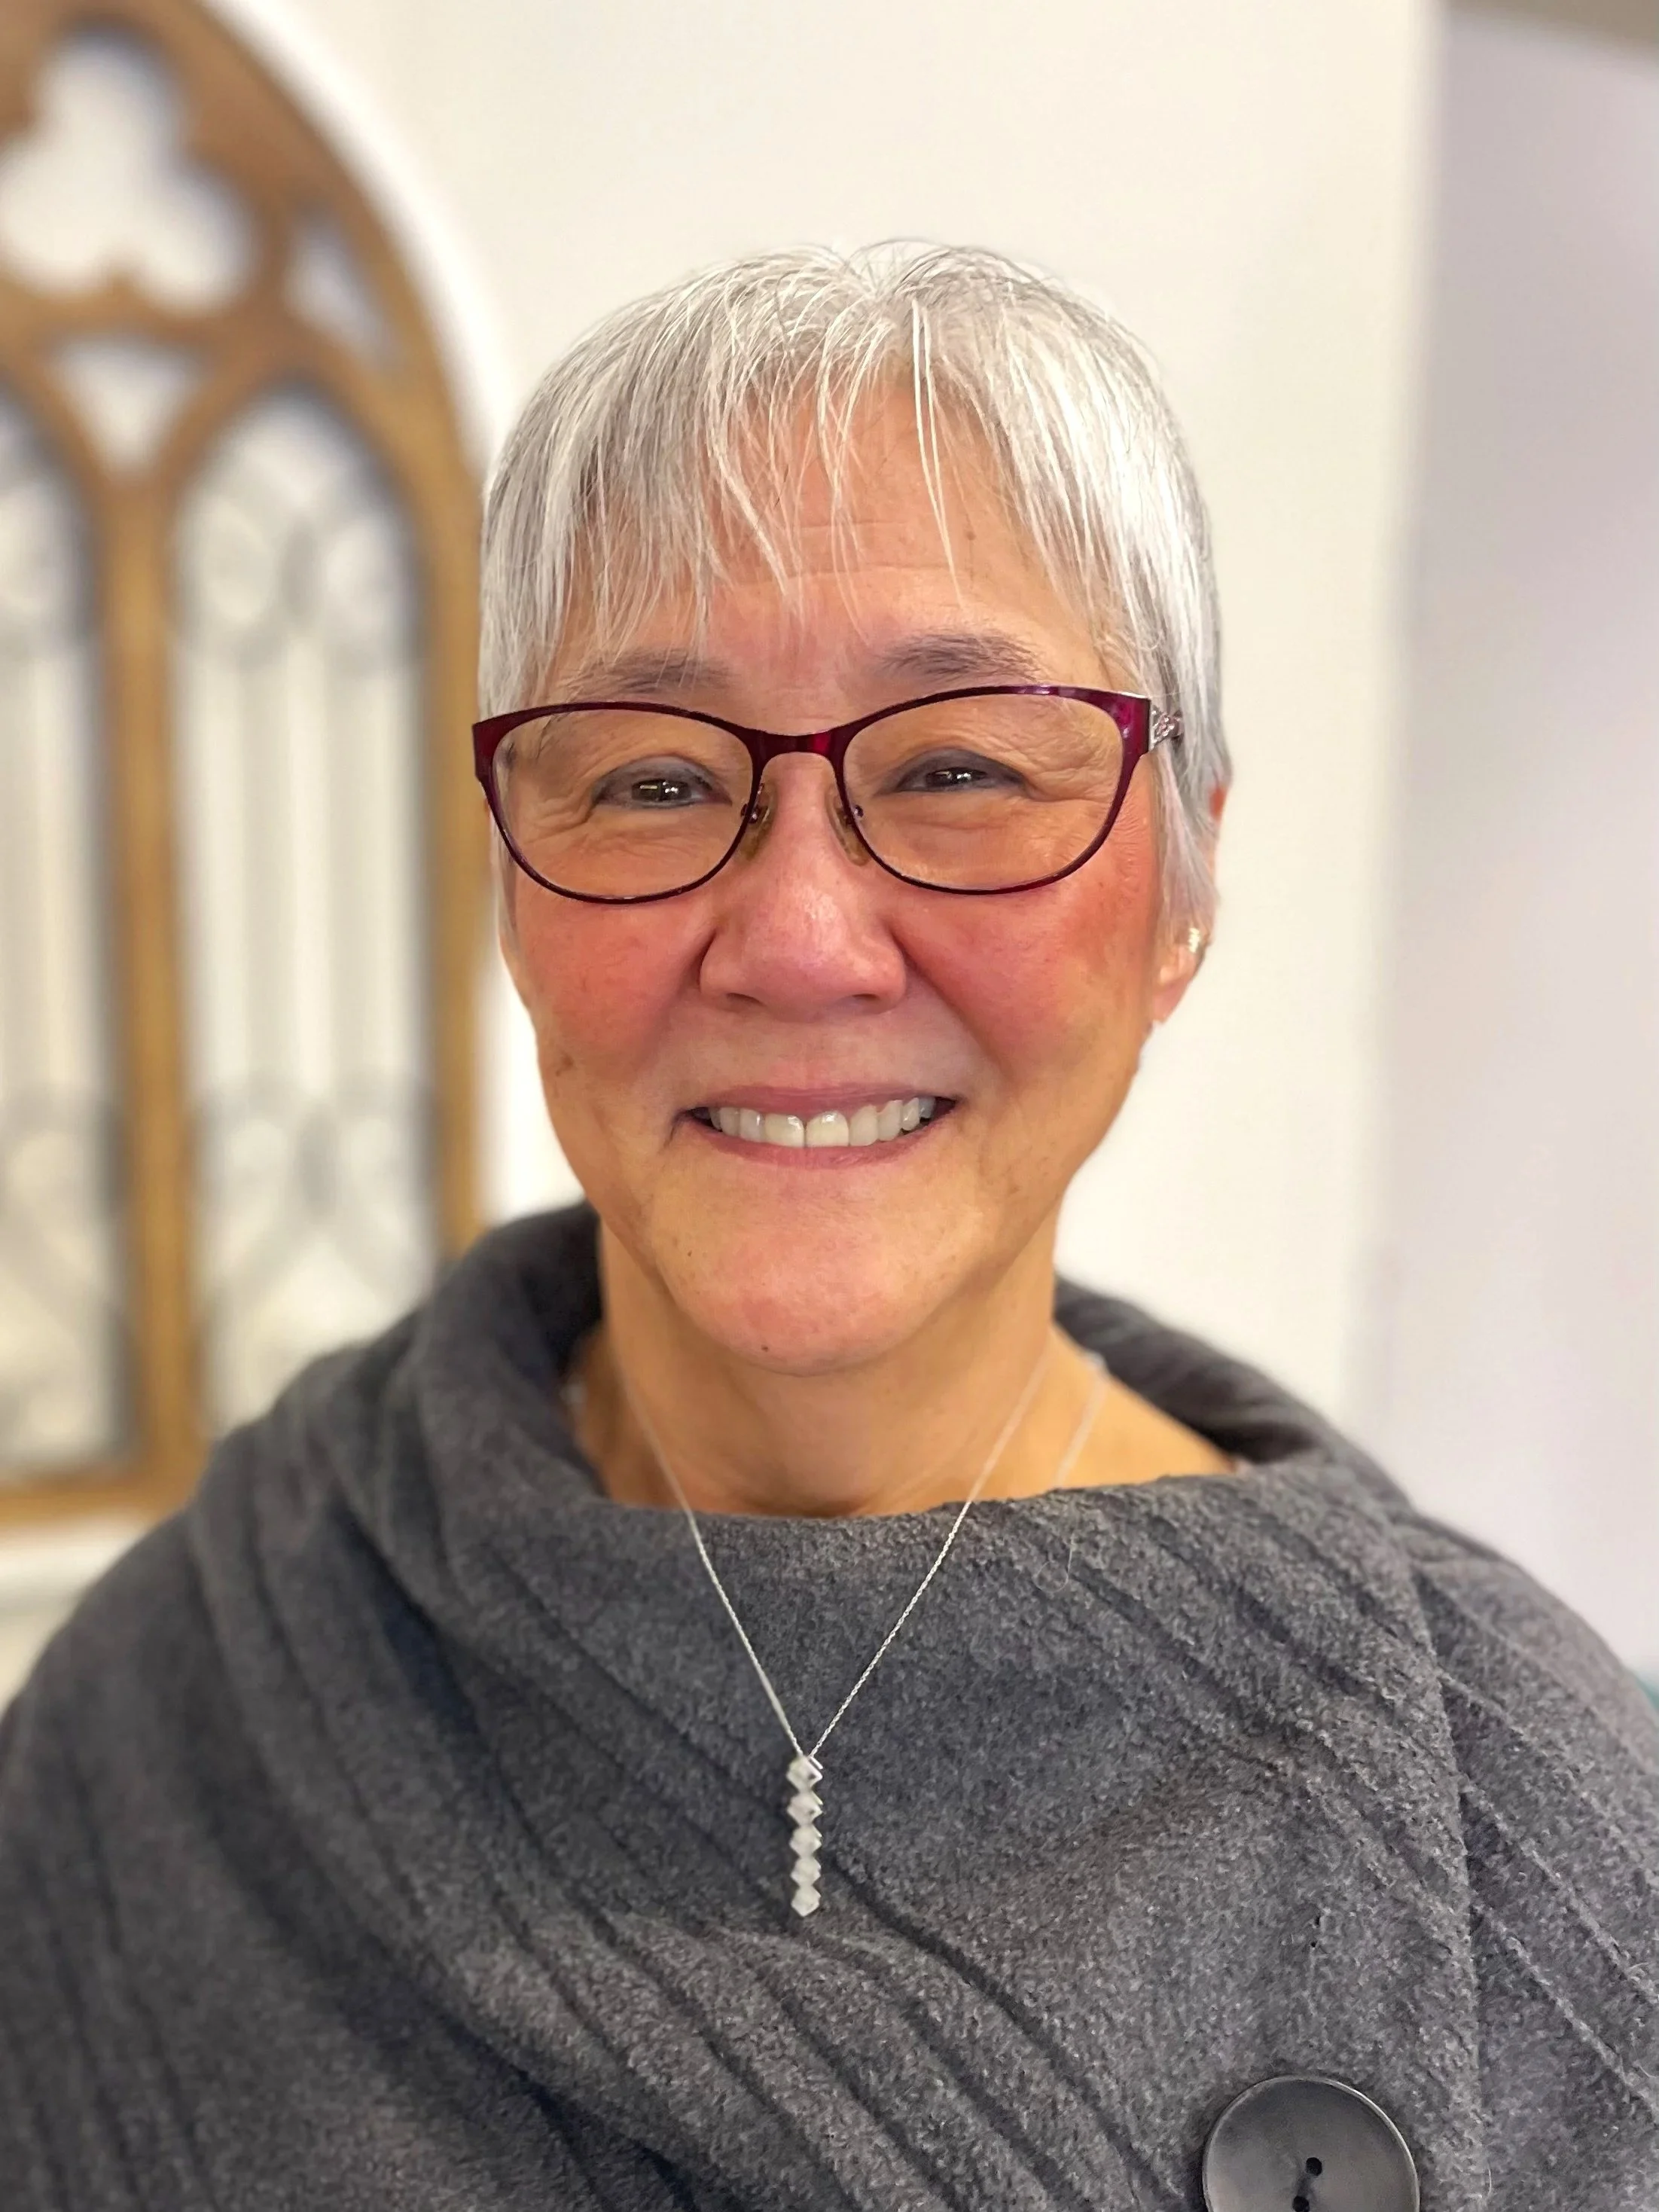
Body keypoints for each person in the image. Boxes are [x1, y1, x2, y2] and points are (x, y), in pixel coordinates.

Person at [2, 245, 1654, 2212]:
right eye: (650, 779)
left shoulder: (1512, 1819)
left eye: (960, 768)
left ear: (1186, 890)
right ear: (511, 890)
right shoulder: (201, 1686)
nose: (796, 942)